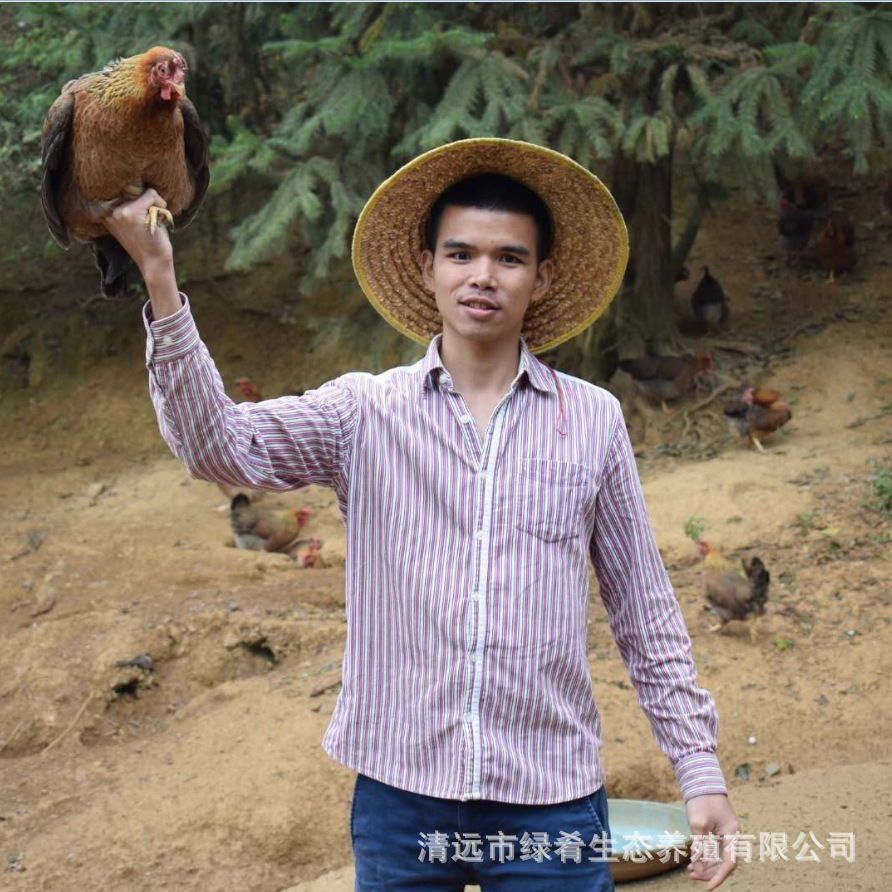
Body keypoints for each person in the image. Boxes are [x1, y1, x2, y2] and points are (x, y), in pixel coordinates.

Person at [107, 138, 740, 891]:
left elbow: (643, 606)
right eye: (460, 253)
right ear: (426, 267)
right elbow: (217, 447)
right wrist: (159, 276)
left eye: (509, 258)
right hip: (401, 798)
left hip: (549, 796)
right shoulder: (362, 414)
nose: (482, 275)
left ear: (543, 277)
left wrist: (698, 769)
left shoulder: (593, 421)